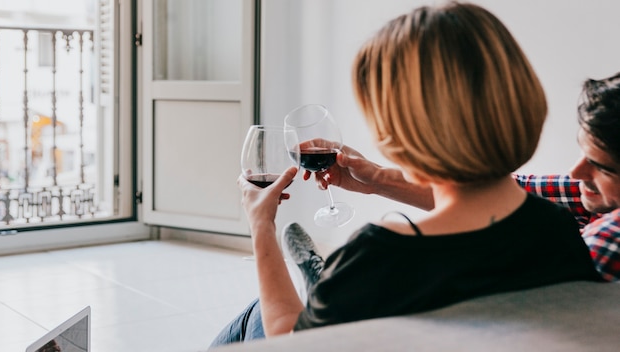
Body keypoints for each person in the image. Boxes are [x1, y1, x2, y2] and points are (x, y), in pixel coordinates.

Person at [209, 2, 601, 347]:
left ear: (400, 130)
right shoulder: (556, 228)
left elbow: (289, 340)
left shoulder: (380, 257)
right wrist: (379, 179)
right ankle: (320, 288)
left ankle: (319, 285)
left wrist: (262, 224)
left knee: (254, 317)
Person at [307, 71, 620, 282]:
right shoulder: (583, 207)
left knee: (262, 317)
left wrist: (262, 222)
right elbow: (500, 196)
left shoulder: (601, 248)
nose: (576, 172)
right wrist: (377, 180)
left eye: (602, 166)